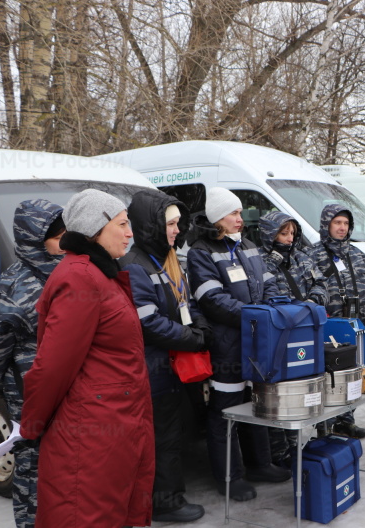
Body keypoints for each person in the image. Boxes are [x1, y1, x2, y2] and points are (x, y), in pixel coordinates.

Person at [19, 189, 155, 527]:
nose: (130, 233)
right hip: (90, 437)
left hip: (113, 429)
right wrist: (31, 425)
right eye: (123, 224)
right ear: (97, 228)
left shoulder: (100, 274)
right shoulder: (80, 277)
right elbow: (53, 366)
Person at [186, 187, 289, 502]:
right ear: (218, 217)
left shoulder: (247, 246)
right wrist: (257, 317)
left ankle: (260, 464)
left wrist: (270, 312)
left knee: (255, 402)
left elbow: (269, 281)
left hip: (256, 343)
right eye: (233, 213)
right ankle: (230, 477)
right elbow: (213, 300)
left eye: (240, 212)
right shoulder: (200, 252)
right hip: (228, 345)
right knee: (226, 410)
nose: (239, 219)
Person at [120, 189, 210, 523]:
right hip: (151, 371)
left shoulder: (167, 260)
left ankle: (169, 495)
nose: (176, 229)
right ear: (151, 225)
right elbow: (149, 324)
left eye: (177, 223)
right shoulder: (134, 266)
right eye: (170, 223)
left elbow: (187, 302)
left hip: (172, 369)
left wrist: (199, 327)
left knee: (172, 435)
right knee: (160, 440)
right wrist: (193, 339)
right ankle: (165, 503)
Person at [0, 200, 64, 528]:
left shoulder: (73, 274)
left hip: (74, 395)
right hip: (29, 400)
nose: (66, 240)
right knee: (32, 475)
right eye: (58, 235)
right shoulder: (9, 289)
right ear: (35, 238)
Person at [259, 210, 327, 459]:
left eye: (292, 233)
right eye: (283, 233)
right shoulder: (261, 259)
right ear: (269, 234)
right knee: (281, 391)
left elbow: (321, 284)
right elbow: (266, 295)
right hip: (280, 335)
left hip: (307, 330)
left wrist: (312, 301)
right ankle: (279, 452)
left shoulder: (303, 257)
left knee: (302, 388)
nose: (289, 239)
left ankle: (297, 446)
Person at [307, 203, 365, 437]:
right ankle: (324, 425)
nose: (342, 228)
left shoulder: (358, 255)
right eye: (337, 222)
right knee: (328, 375)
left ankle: (346, 420)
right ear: (326, 225)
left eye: (346, 223)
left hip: (354, 325)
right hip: (327, 326)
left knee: (352, 373)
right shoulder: (312, 255)